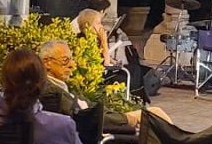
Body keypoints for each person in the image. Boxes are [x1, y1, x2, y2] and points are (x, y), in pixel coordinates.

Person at [38, 39, 170, 132]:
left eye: (71, 59)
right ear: (47, 62)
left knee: (154, 120)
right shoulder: (51, 90)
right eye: (65, 60)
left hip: (101, 122)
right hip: (98, 129)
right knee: (154, 115)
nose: (72, 65)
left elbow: (89, 109)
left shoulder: (61, 85)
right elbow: (84, 118)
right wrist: (125, 118)